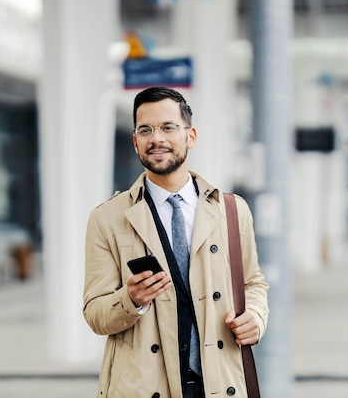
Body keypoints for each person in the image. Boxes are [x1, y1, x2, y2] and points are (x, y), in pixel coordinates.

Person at [83, 87, 269, 398]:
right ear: (135, 141)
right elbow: (95, 314)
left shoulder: (232, 211)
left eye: (168, 127)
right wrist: (132, 299)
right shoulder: (107, 219)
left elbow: (253, 283)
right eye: (146, 130)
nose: (157, 138)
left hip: (219, 384)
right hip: (144, 388)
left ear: (190, 136)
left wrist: (256, 317)